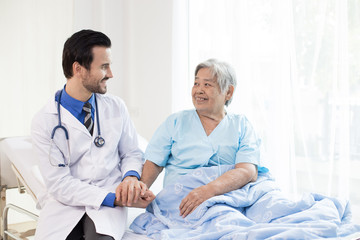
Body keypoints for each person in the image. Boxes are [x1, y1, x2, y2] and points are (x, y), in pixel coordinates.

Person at [31, 29, 155, 240]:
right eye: (104, 67)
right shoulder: (45, 121)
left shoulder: (116, 107)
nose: (111, 74)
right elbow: (59, 184)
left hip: (109, 198)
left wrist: (130, 179)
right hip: (66, 203)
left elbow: (131, 153)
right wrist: (114, 198)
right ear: (78, 69)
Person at [140, 58, 268, 218]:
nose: (199, 90)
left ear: (228, 92)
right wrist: (140, 190)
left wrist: (208, 190)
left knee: (275, 209)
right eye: (196, 83)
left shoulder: (241, 125)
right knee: (223, 218)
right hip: (183, 200)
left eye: (207, 84)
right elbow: (154, 162)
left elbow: (247, 171)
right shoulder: (175, 122)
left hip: (229, 195)